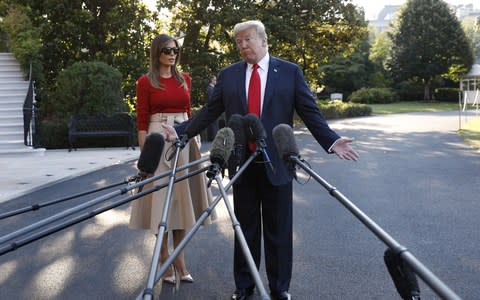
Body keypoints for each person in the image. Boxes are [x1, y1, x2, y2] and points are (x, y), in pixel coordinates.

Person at [164, 20, 359, 300]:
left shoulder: (289, 72)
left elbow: (310, 111)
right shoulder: (229, 75)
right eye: (238, 42)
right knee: (245, 229)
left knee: (279, 231)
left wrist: (331, 140)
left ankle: (280, 288)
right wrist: (181, 130)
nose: (243, 46)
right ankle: (244, 286)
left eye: (248, 40)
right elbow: (209, 112)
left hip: (277, 163)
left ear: (264, 41)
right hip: (242, 163)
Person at [129, 34, 212, 286]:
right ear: (157, 53)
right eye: (167, 49)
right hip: (158, 138)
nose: (172, 53)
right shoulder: (145, 82)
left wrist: (193, 139)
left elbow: (189, 113)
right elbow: (142, 120)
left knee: (183, 202)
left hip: (184, 139)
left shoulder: (185, 79)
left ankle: (179, 259)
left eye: (175, 49)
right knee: (162, 202)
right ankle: (165, 257)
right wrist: (147, 157)